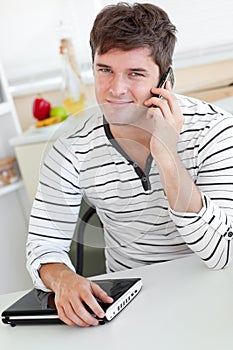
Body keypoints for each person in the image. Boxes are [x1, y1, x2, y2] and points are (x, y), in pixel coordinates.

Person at [26, 2, 233, 327]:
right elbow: (43, 242)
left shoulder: (215, 132)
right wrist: (64, 279)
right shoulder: (71, 144)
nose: (115, 90)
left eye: (135, 74)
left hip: (215, 289)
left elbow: (222, 253)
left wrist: (167, 156)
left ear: (165, 80)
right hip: (133, 300)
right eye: (104, 70)